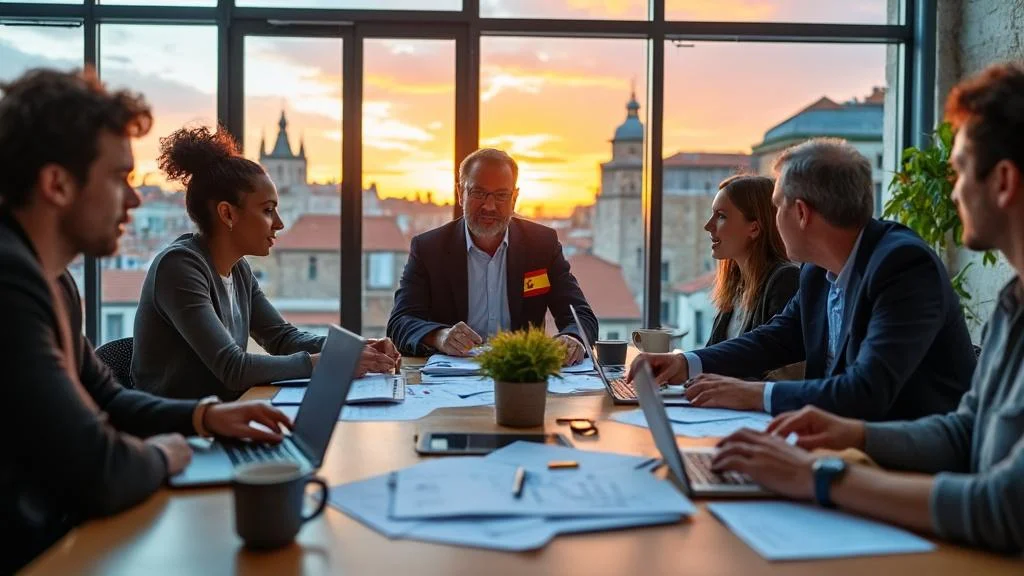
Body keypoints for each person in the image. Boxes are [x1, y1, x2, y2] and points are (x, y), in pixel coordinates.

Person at [711, 62, 1024, 554]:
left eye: (960, 171)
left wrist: (819, 475)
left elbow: (1005, 507)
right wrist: (849, 433)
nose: (954, 190)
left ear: (1003, 182)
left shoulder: (903, 263)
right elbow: (967, 430)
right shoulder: (1014, 301)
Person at [0, 68, 293, 572]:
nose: (135, 199)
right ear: (57, 184)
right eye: (119, 178)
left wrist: (203, 418)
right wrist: (167, 454)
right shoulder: (9, 285)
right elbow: (100, 469)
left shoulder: (56, 283)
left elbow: (106, 396)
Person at [630, 138, 976, 420]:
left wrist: (755, 394)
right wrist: (685, 363)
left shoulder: (903, 266)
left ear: (800, 213)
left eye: (777, 206)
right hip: (835, 442)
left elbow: (866, 391)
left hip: (905, 466)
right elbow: (778, 337)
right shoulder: (817, 271)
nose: (773, 218)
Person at [131, 126, 400, 401]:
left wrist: (354, 349)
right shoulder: (179, 267)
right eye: (268, 210)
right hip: (178, 434)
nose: (279, 223)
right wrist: (334, 362)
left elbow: (282, 338)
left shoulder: (238, 270)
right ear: (227, 213)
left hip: (223, 419)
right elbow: (233, 368)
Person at [386, 148, 599, 364]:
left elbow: (580, 315)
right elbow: (400, 322)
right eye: (478, 193)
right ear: (461, 194)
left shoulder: (541, 245)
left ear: (514, 198)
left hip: (519, 376)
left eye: (501, 196)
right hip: (452, 379)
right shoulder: (429, 249)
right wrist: (439, 336)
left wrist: (572, 338)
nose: (489, 206)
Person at [703, 175, 800, 369]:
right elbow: (712, 356)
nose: (708, 226)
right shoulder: (736, 286)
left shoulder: (784, 279)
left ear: (754, 228)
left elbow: (771, 361)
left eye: (721, 216)